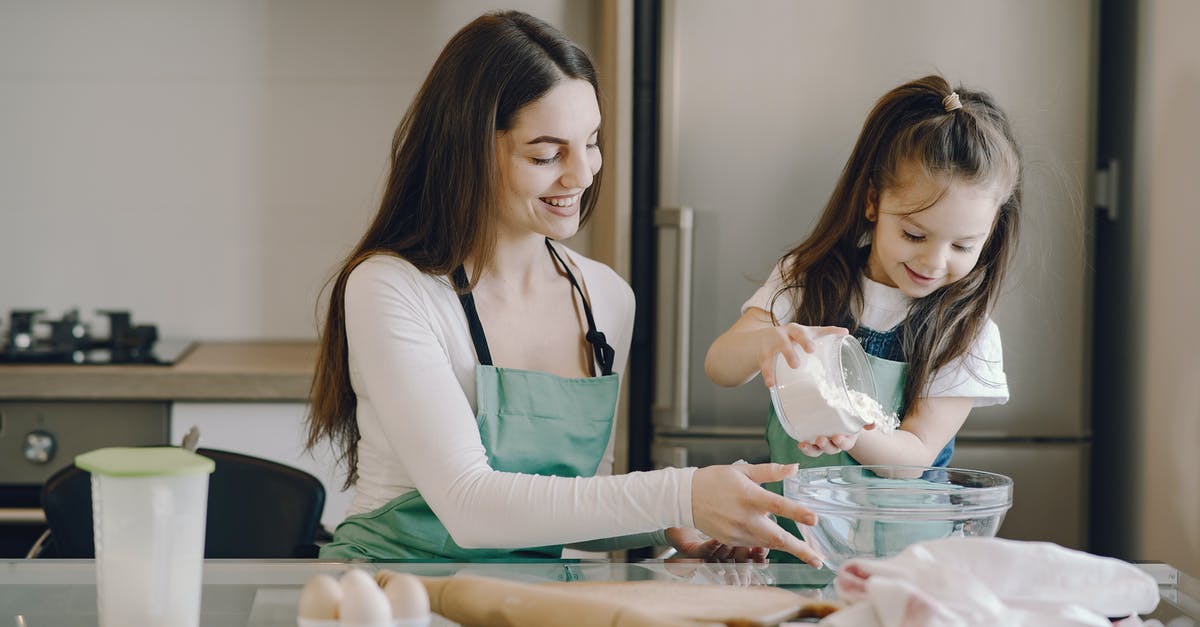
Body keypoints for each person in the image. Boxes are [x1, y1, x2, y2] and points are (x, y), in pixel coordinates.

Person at [305, 10, 822, 566]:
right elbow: (470, 506)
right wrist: (682, 493)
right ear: (470, 149)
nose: (582, 174)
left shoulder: (605, 299)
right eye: (547, 154)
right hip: (390, 593)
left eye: (591, 143)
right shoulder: (391, 288)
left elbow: (570, 507)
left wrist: (678, 520)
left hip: (526, 598)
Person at [705, 75, 1021, 547]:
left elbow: (913, 456)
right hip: (793, 540)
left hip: (904, 556)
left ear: (991, 232)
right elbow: (720, 367)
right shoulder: (807, 279)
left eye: (962, 244)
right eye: (914, 235)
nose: (933, 262)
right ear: (874, 201)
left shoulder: (968, 333)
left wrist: (844, 426)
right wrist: (762, 343)